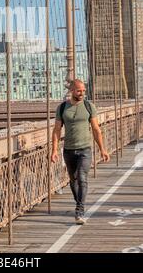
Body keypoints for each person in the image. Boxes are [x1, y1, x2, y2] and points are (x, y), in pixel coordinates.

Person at [51, 79, 110, 225]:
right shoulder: (62, 108)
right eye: (79, 91)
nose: (82, 93)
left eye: (83, 90)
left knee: (82, 177)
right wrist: (54, 150)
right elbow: (57, 130)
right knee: (73, 180)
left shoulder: (89, 106)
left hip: (85, 149)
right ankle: (79, 203)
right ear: (72, 91)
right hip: (68, 150)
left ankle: (79, 209)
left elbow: (96, 129)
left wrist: (102, 149)